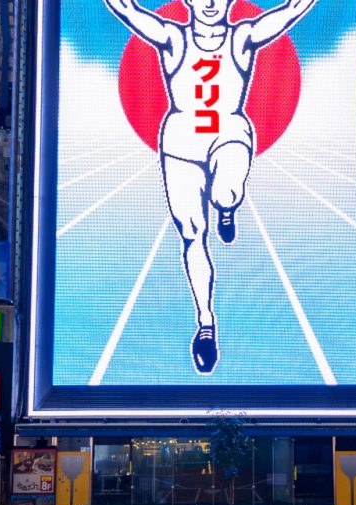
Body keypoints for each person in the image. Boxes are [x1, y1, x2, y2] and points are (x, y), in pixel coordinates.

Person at [101, 0, 318, 374]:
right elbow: (130, 13)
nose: (212, 3)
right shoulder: (173, 39)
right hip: (181, 145)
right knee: (191, 234)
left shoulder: (242, 37)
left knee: (225, 192)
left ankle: (228, 207)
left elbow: (287, 14)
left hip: (229, 134)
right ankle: (205, 323)